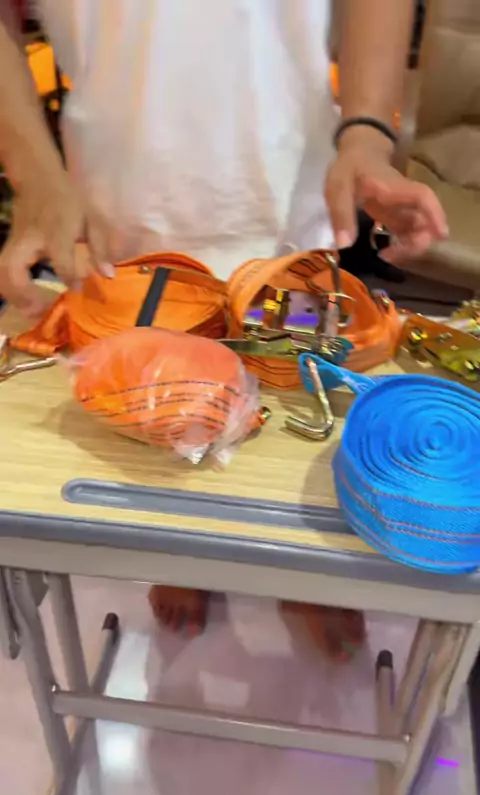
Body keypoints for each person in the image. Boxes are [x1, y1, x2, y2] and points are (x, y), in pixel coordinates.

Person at [0, 1, 447, 658]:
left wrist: (367, 133)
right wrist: (36, 177)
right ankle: (184, 554)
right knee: (160, 407)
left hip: (291, 196)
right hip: (122, 209)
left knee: (296, 385)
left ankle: (303, 563)